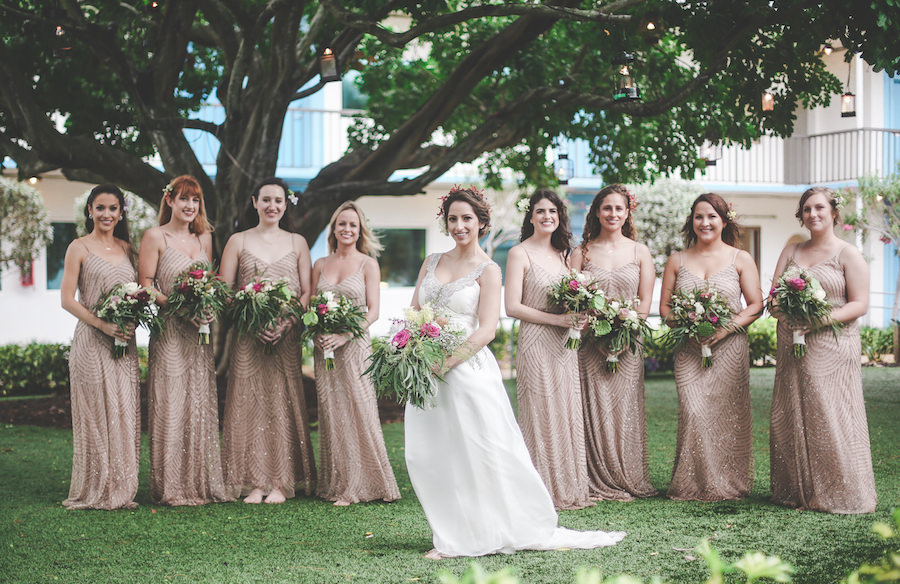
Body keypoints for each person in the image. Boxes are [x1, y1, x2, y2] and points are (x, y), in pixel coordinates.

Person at [405, 186, 626, 559]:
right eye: (454, 219)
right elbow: (414, 312)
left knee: (479, 452)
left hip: (466, 373)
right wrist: (413, 351)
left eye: (467, 219)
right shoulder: (430, 262)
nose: (460, 225)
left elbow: (486, 330)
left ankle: (469, 538)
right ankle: (449, 530)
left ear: (482, 223)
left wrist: (444, 364)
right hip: (424, 370)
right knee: (430, 454)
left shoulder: (488, 270)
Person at [768, 187, 877, 513]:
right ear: (800, 215)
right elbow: (772, 297)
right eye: (806, 209)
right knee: (790, 411)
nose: (812, 214)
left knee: (829, 413)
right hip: (792, 340)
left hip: (831, 342)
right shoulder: (791, 250)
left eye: (819, 208)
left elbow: (859, 304)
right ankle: (796, 490)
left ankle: (840, 492)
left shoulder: (848, 254)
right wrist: (784, 313)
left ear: (833, 212)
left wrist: (819, 321)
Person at [659, 193, 762, 502]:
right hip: (689, 349)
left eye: (711, 217)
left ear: (724, 220)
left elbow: (756, 305)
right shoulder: (677, 260)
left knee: (727, 414)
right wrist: (685, 325)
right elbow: (665, 309)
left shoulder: (740, 258)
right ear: (691, 221)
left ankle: (727, 483)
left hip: (729, 348)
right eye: (699, 217)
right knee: (693, 411)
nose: (705, 222)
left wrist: (725, 329)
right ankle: (692, 483)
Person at [219, 177, 316, 504]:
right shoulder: (238, 241)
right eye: (266, 200)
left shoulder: (297, 242)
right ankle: (252, 482)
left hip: (286, 337)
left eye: (278, 200)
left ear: (285, 204)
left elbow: (306, 293)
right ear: (255, 202)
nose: (272, 206)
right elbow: (225, 290)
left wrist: (287, 322)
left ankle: (280, 481)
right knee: (248, 402)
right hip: (249, 335)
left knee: (281, 402)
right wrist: (253, 318)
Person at [137, 175, 231, 506]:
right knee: (171, 404)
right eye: (184, 199)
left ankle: (199, 483)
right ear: (169, 200)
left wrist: (207, 307)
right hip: (170, 333)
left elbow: (211, 282)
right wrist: (180, 308)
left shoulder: (204, 238)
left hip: (199, 338)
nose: (190, 206)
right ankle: (171, 487)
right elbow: (146, 285)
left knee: (197, 403)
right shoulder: (154, 236)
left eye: (195, 200)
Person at [504, 190, 592, 510]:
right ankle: (539, 491)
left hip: (564, 346)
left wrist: (577, 317)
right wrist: (556, 319)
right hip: (535, 342)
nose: (547, 217)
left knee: (565, 410)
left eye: (552, 211)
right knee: (539, 413)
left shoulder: (564, 255)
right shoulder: (518, 254)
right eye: (540, 211)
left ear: (560, 217)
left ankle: (569, 486)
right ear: (531, 217)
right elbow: (512, 307)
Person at [570, 185, 657, 501]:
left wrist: (627, 322)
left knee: (624, 408)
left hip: (626, 343)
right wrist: (593, 321)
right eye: (607, 208)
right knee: (592, 407)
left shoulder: (639, 252)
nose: (613, 214)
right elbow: (571, 300)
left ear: (627, 213)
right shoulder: (581, 253)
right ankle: (593, 475)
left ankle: (625, 474)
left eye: (619, 209)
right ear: (596, 212)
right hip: (589, 344)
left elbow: (646, 303)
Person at [311, 201, 400, 506]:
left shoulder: (367, 264)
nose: (347, 229)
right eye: (342, 224)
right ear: (333, 228)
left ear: (360, 230)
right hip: (324, 349)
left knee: (358, 409)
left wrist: (344, 335)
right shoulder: (320, 264)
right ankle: (338, 482)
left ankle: (367, 484)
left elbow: (373, 312)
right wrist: (319, 331)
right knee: (332, 410)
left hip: (354, 345)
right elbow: (312, 306)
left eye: (353, 225)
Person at [60, 184, 140, 509]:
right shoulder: (78, 247)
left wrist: (133, 317)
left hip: (124, 344)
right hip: (92, 342)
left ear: (121, 213)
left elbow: (139, 291)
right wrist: (102, 324)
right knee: (95, 414)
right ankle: (94, 489)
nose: (107, 214)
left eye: (113, 208)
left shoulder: (127, 248)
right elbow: (66, 300)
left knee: (122, 413)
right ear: (90, 210)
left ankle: (121, 489)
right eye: (100, 208)